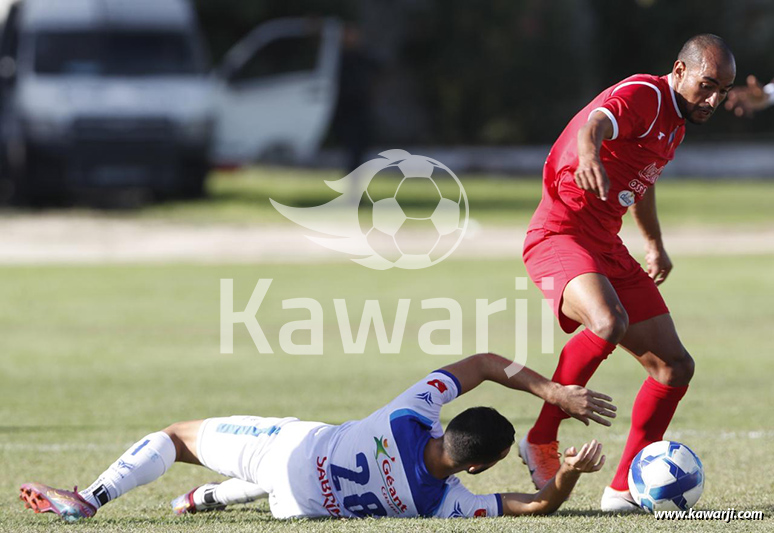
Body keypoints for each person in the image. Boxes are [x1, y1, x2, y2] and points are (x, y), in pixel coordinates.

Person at [517, 34, 735, 512]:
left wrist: (654, 243)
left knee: (675, 367)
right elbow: (596, 122)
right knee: (608, 323)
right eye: (707, 85)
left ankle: (622, 491)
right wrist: (590, 154)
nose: (714, 99)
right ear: (679, 70)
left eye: (723, 90)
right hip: (559, 234)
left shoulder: (675, 124)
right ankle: (539, 438)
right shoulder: (647, 93)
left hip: (605, 245)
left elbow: (643, 182)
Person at [19, 353, 614, 522]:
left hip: (291, 453)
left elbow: (483, 363)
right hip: (300, 509)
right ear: (477, 468)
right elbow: (538, 504)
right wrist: (568, 474)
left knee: (176, 438)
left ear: (449, 425)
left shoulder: (408, 416)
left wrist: (555, 393)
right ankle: (205, 499)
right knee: (284, 482)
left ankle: (91, 498)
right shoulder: (441, 504)